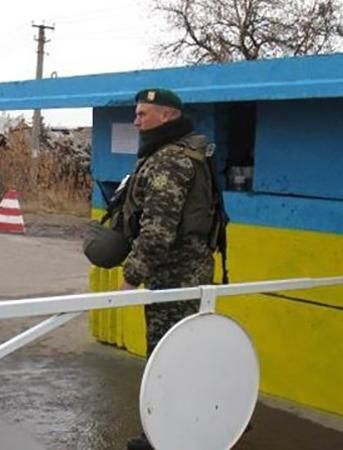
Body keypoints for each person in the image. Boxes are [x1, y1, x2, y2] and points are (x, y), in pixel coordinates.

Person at [121, 89, 215, 450]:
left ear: (167, 116)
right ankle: (192, 425)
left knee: (167, 359)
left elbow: (159, 229)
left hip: (175, 276)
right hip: (188, 272)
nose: (136, 120)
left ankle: (164, 435)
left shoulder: (169, 160)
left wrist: (132, 274)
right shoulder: (183, 152)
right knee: (185, 354)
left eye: (143, 114)